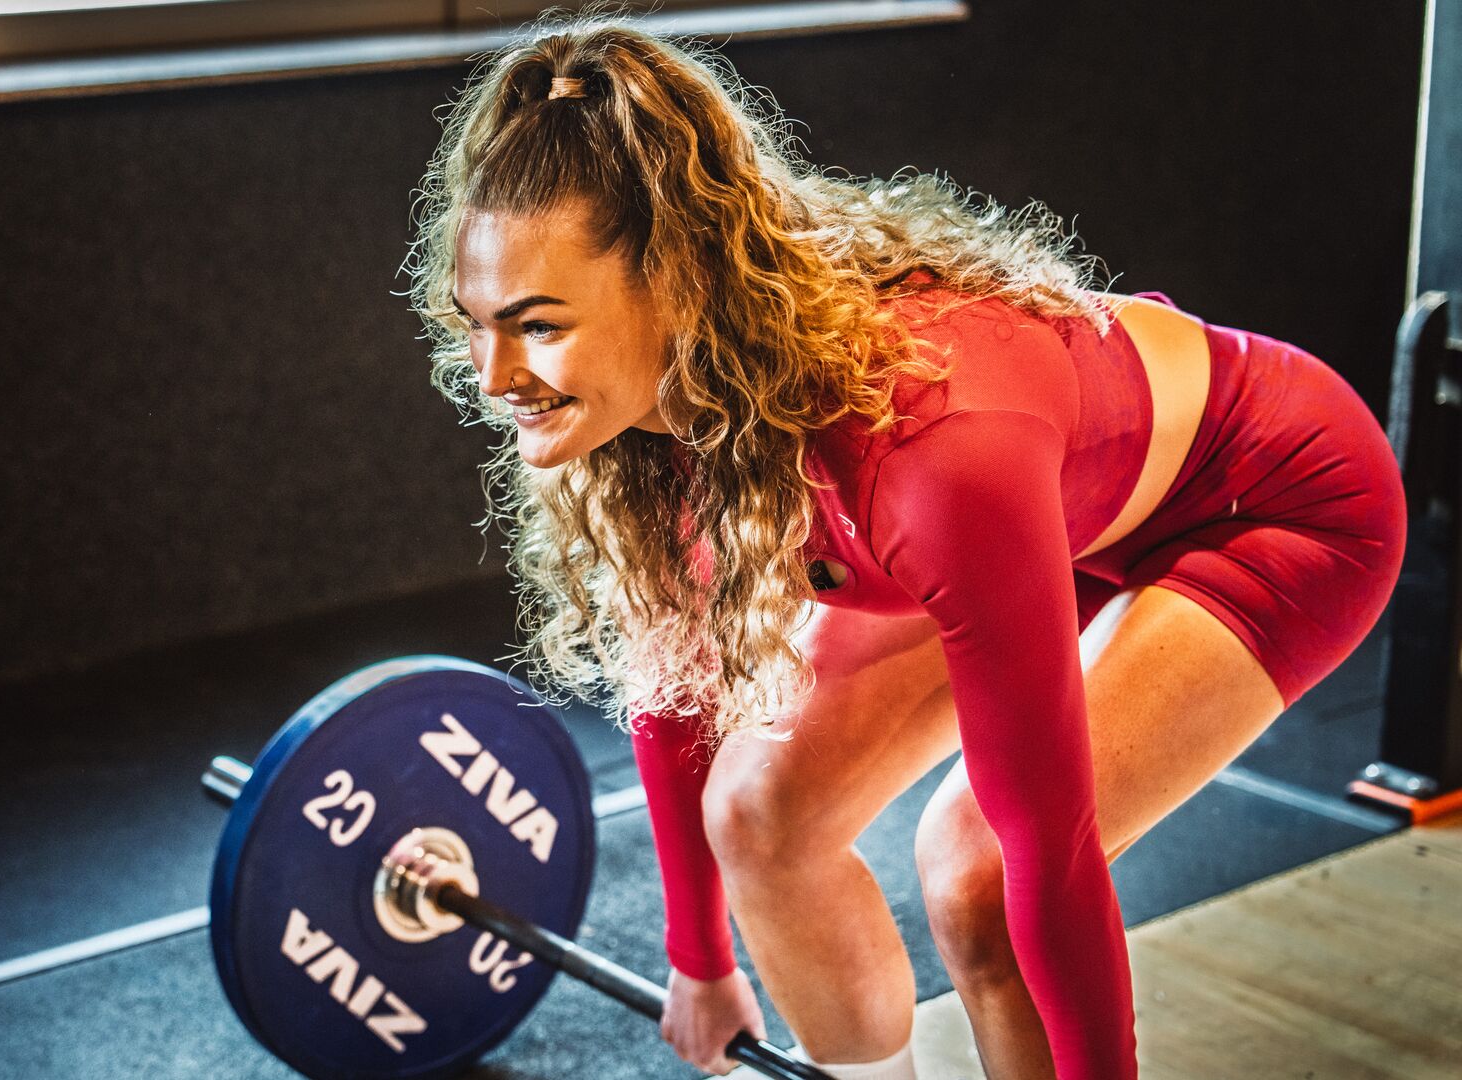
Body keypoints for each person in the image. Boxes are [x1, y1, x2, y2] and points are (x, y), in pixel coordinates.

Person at [402, 11, 1406, 1080]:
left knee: (978, 881)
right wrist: (700, 964)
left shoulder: (928, 454)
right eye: (479, 320)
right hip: (1045, 514)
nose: (494, 374)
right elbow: (679, 684)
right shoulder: (648, 416)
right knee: (759, 817)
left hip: (1273, 505)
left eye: (541, 325)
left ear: (677, 287)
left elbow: (1046, 851)